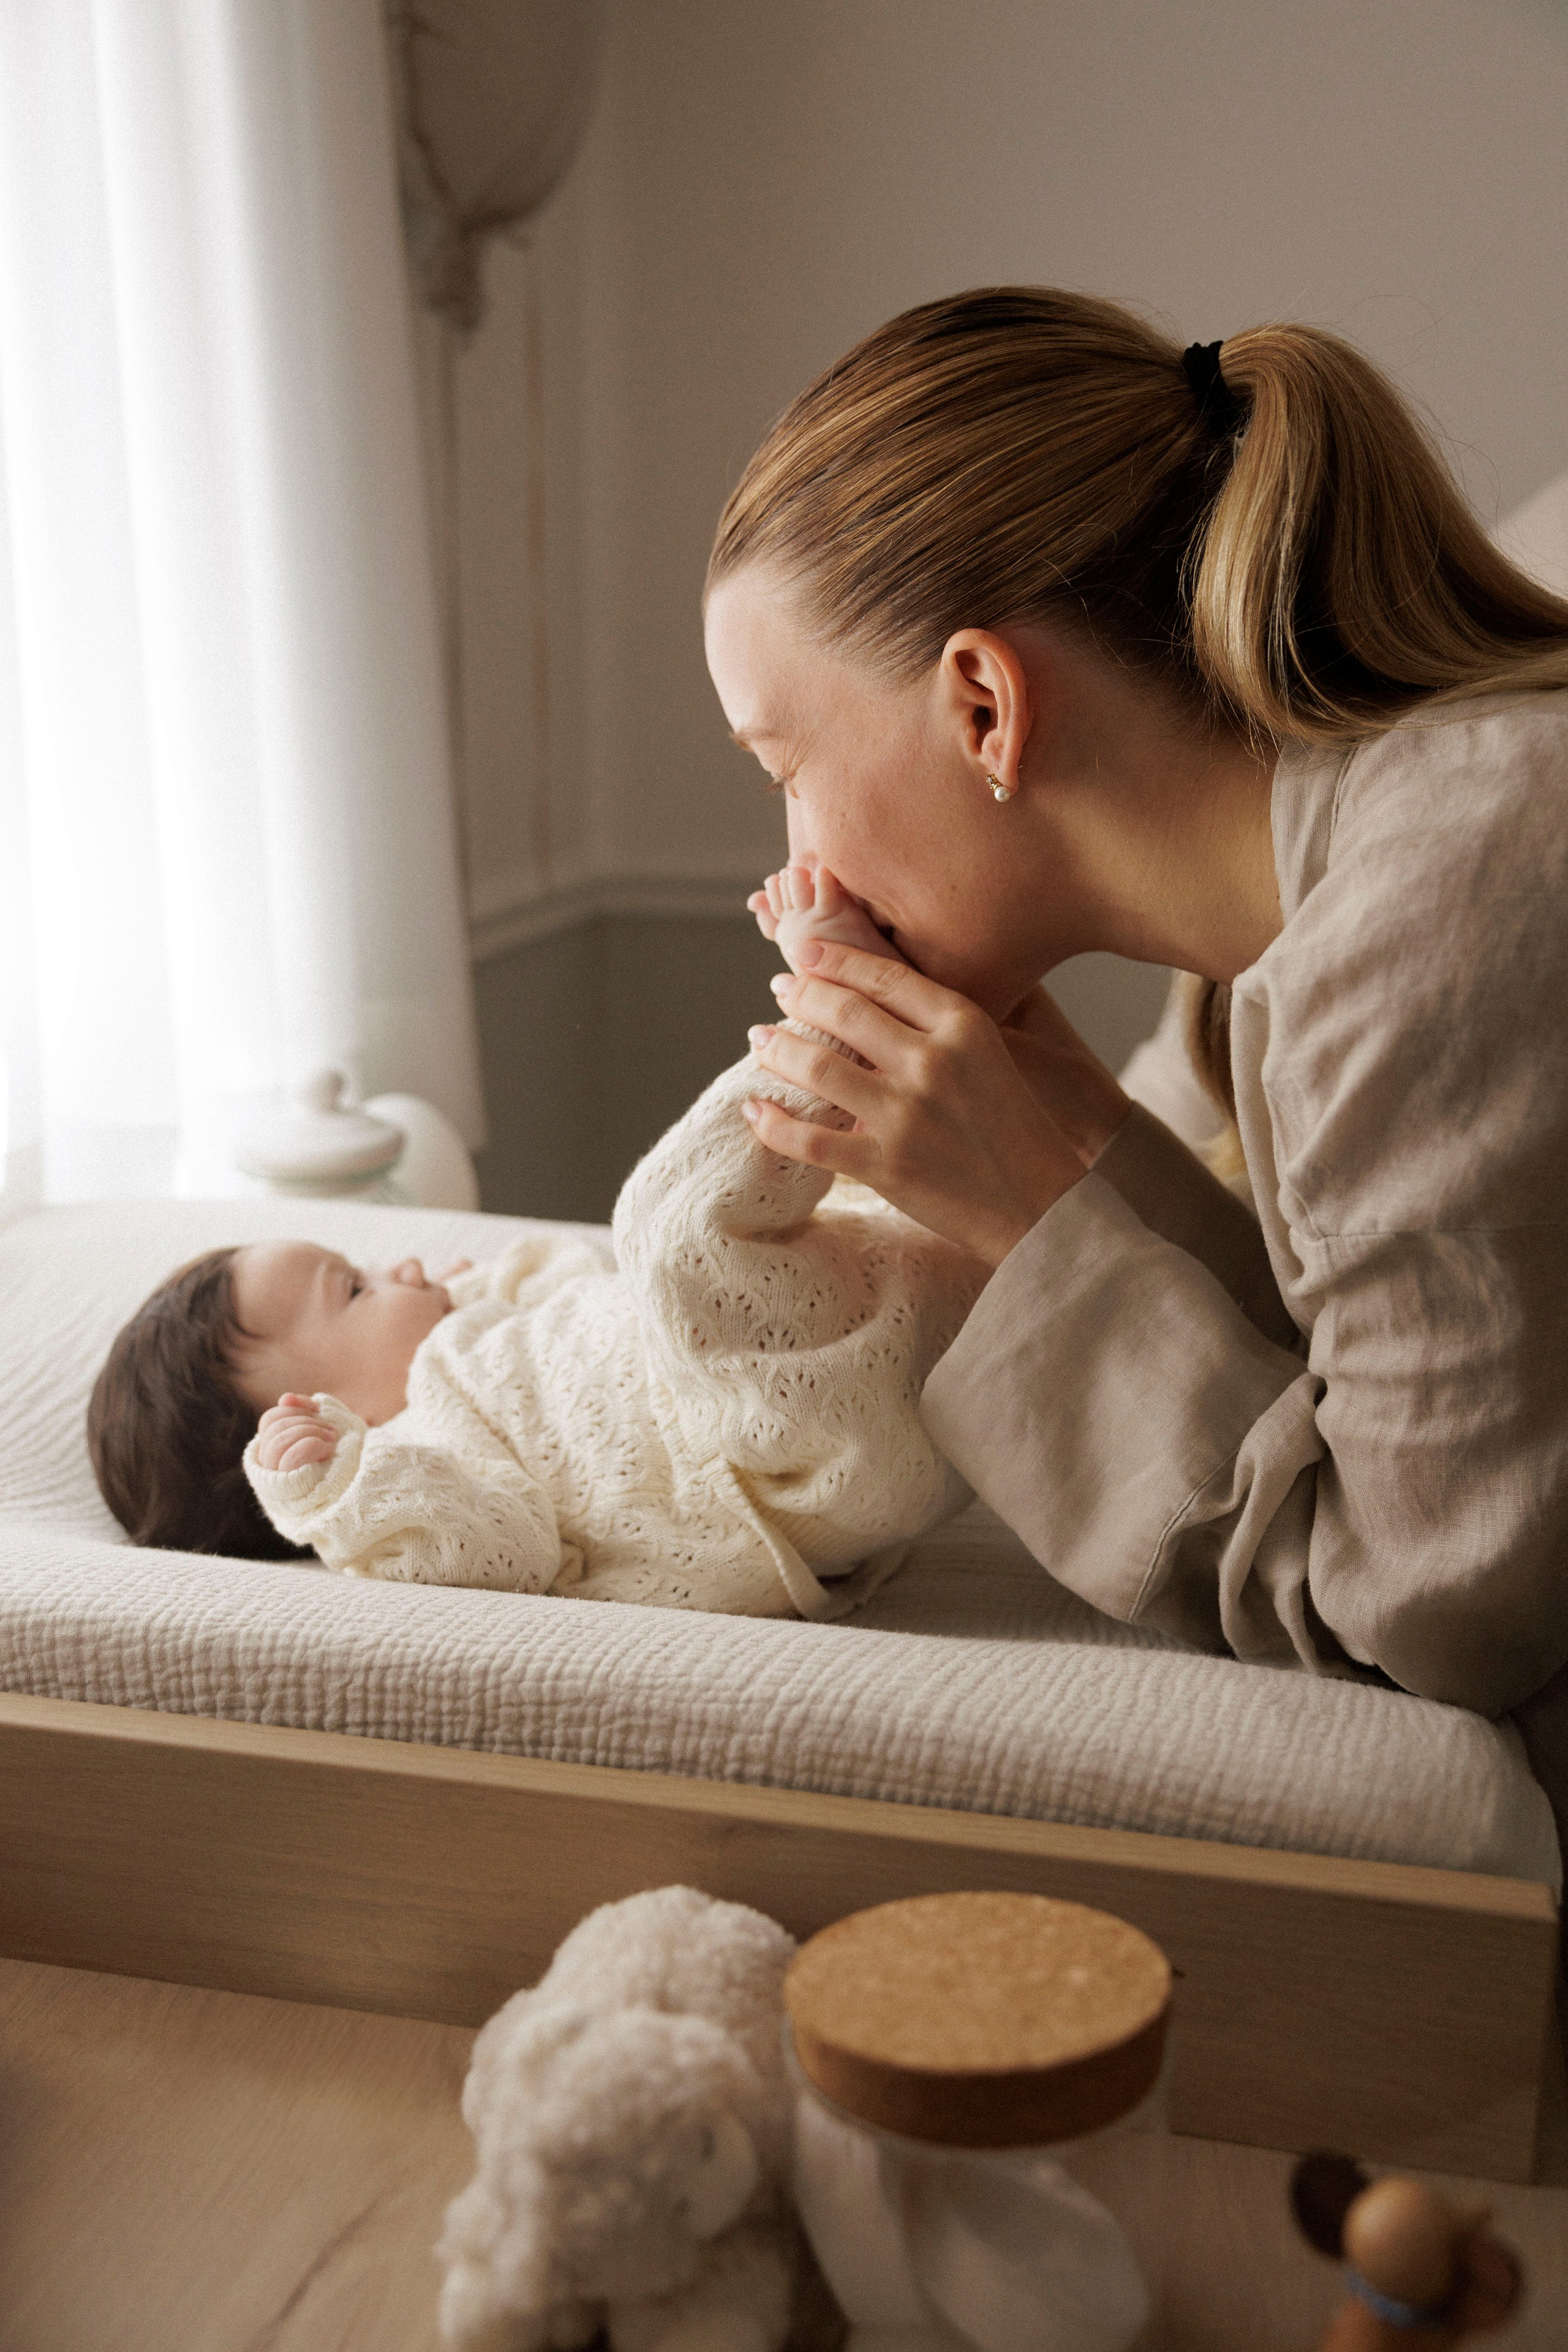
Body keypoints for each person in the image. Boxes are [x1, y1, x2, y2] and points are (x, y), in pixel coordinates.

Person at [705, 287, 1568, 1851]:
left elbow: (1426, 1622)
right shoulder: (1334, 902)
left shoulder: (1427, 909)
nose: (786, 857)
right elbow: (1365, 1392)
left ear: (982, 701)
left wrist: (1033, 1218)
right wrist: (1073, 1132)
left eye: (783, 770)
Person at [87, 876, 983, 1617]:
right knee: (666, 1227)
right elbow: (501, 1548)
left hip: (869, 1379)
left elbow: (580, 1293)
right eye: (355, 1292)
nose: (398, 1267)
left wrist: (488, 1293)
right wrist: (336, 1491)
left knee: (865, 1197)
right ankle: (849, 1001)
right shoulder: (420, 1452)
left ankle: (954, 1056)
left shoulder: (485, 1327)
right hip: (769, 1455)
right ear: (328, 1417)